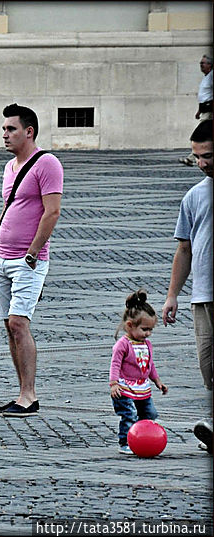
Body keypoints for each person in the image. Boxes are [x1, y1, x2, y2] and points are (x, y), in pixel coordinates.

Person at [0, 103, 63, 418]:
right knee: (9, 326)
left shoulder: (47, 164)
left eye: (11, 129)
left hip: (28, 259)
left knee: (19, 323)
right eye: (4, 128)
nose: (4, 134)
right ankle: (21, 392)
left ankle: (29, 396)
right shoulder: (9, 167)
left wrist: (32, 251)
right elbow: (9, 208)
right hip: (0, 257)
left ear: (29, 131)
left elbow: (52, 211)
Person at [163, 119, 213, 453]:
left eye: (207, 156)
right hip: (203, 296)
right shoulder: (194, 196)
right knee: (208, 368)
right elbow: (184, 248)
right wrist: (172, 296)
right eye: (196, 156)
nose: (201, 163)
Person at [110, 290, 168, 455]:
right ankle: (125, 442)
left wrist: (157, 381)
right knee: (130, 415)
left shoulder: (146, 344)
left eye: (150, 330)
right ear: (130, 325)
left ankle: (144, 439)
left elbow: (149, 364)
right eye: (144, 329)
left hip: (142, 388)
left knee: (149, 414)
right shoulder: (123, 344)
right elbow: (115, 364)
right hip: (124, 388)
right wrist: (113, 384)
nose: (148, 333)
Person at [180, 55, 212, 166]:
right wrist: (199, 111)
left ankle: (192, 158)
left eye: (203, 63)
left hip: (210, 111)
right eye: (200, 63)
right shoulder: (207, 77)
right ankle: (192, 157)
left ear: (210, 65)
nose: (201, 65)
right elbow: (203, 96)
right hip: (205, 110)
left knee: (200, 134)